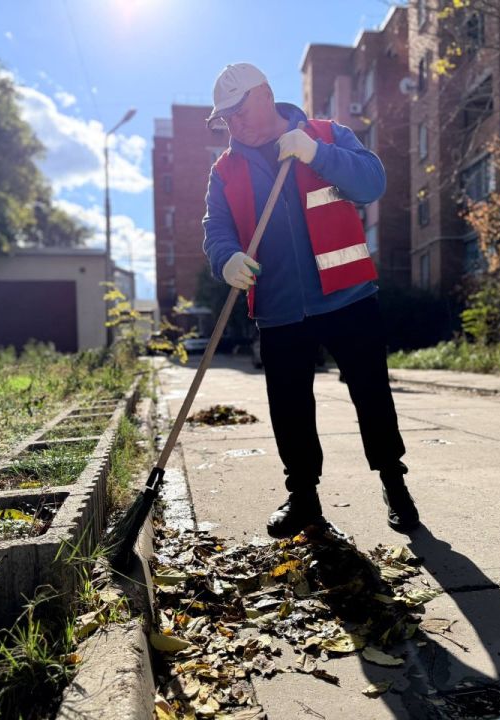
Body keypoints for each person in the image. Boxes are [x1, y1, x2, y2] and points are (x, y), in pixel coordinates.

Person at [202, 62, 419, 538]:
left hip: (348, 298)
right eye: (226, 118)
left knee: (372, 395)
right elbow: (216, 229)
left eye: (238, 111)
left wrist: (316, 153)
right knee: (289, 408)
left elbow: (372, 183)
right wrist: (227, 259)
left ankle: (394, 484)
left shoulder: (325, 133)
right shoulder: (226, 170)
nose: (233, 125)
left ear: (265, 94)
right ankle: (304, 499)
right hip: (280, 310)